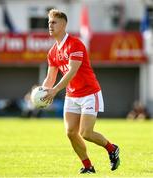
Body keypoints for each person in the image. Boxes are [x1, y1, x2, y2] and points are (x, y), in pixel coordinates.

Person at [41, 9, 120, 174]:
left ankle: (112, 148)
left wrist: (55, 90)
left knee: (86, 133)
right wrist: (42, 93)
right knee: (70, 132)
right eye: (49, 22)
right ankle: (88, 166)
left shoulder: (75, 44)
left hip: (89, 93)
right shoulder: (52, 52)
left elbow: (72, 72)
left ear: (63, 24)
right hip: (72, 95)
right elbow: (50, 78)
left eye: (54, 22)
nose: (50, 25)